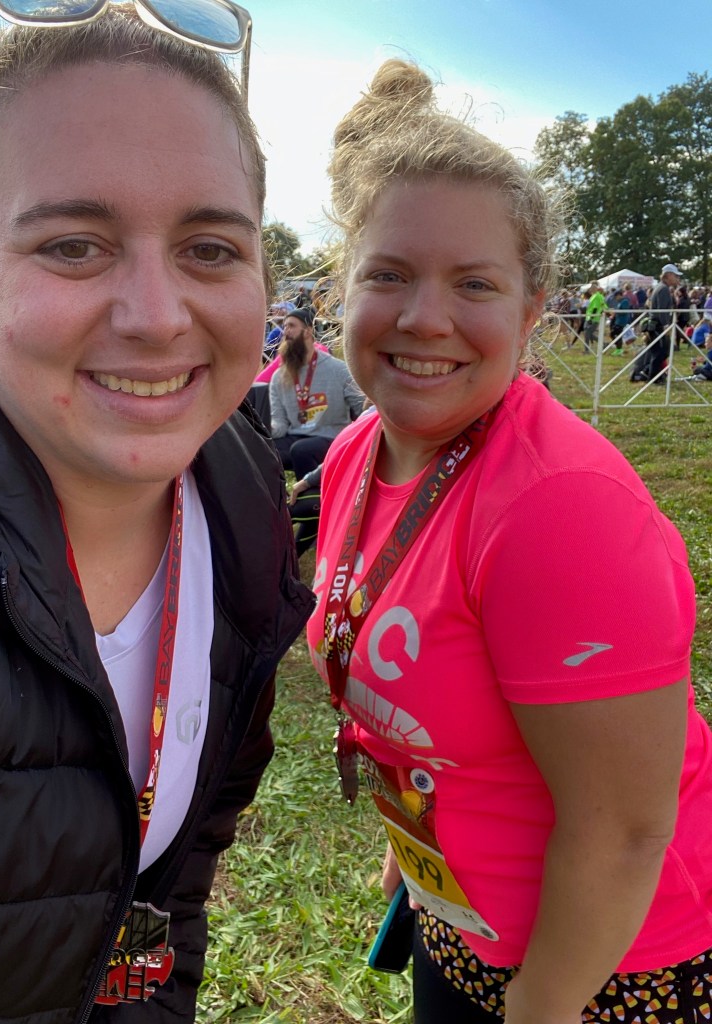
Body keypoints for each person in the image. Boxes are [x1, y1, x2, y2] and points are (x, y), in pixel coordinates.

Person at [307, 59, 712, 1024]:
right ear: (341, 292)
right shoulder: (355, 454)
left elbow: (625, 830)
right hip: (461, 921)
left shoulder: (558, 509)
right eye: (388, 274)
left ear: (532, 310)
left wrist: (543, 1005)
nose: (424, 318)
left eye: (475, 283)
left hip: (613, 968)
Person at [0, 5, 315, 1023]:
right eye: (73, 245)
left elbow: (179, 873)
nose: (156, 316)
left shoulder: (243, 504)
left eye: (209, 249)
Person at [269, 306, 365, 478]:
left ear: (308, 331)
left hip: (331, 437)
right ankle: (277, 495)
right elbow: (280, 424)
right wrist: (262, 431)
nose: (286, 332)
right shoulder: (278, 377)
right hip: (295, 436)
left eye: (291, 326)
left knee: (301, 450)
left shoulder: (338, 369)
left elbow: (362, 409)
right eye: (284, 326)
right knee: (264, 450)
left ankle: (310, 494)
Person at [631, 264, 680, 383]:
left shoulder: (660, 287)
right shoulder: (663, 289)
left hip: (655, 325)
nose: (677, 278)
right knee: (661, 352)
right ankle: (652, 376)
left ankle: (647, 372)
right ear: (668, 275)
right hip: (658, 325)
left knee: (659, 352)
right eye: (675, 276)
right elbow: (661, 310)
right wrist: (666, 326)